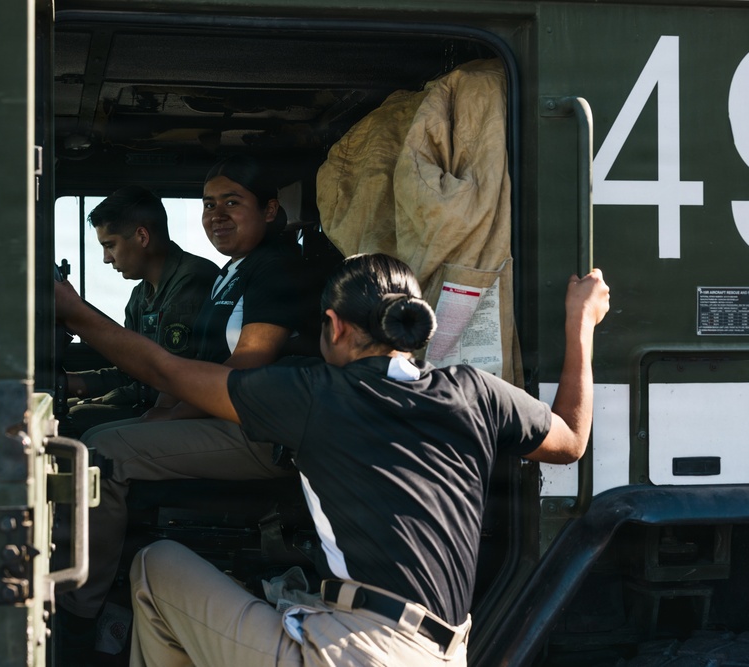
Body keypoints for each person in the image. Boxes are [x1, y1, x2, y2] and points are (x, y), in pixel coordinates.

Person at [55, 252, 610, 666]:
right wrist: (579, 325)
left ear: (336, 325)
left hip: (356, 654)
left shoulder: (316, 393)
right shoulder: (476, 391)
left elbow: (166, 373)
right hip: (443, 654)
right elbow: (571, 441)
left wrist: (72, 309)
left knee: (154, 567)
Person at [56, 157, 315, 639]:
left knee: (101, 455)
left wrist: (166, 414)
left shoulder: (278, 269)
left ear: (271, 209)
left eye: (232, 203)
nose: (216, 214)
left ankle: (79, 613)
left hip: (261, 430)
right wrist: (165, 412)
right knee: (88, 438)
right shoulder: (232, 273)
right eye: (208, 204)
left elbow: (243, 374)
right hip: (229, 416)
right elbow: (206, 362)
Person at [62, 185, 218, 435]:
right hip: (151, 401)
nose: (106, 258)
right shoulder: (140, 295)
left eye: (110, 245)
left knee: (76, 424)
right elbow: (132, 370)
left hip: (185, 410)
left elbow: (172, 378)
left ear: (142, 237)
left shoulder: (193, 280)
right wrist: (69, 383)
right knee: (65, 411)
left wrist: (112, 401)